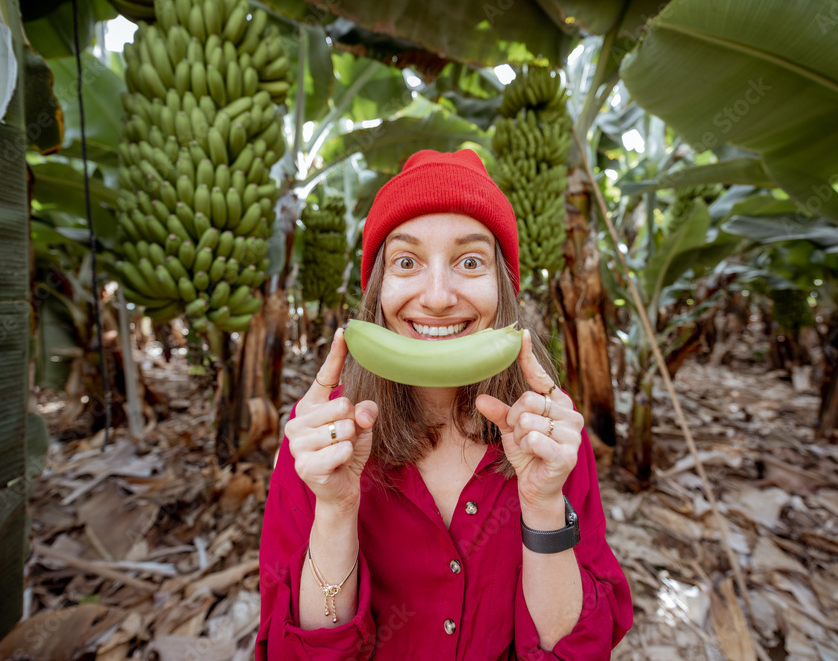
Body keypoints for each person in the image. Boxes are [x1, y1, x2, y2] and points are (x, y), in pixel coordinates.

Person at [256, 149, 633, 660]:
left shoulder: (550, 433)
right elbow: (296, 653)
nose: (437, 296)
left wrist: (544, 506)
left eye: (470, 261)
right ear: (378, 291)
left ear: (503, 289)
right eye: (406, 262)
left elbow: (576, 651)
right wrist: (335, 509)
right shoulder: (321, 437)